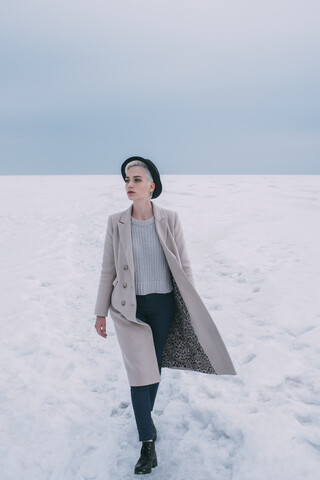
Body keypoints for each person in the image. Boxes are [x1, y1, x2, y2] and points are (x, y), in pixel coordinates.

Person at [94, 156, 236, 475]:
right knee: (138, 372)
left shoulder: (170, 219)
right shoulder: (115, 222)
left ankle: (145, 419)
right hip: (128, 308)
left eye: (136, 180)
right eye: (127, 180)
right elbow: (108, 270)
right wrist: (100, 312)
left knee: (154, 367)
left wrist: (191, 307)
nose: (129, 185)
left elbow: (183, 266)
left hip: (164, 304)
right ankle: (147, 441)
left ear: (151, 186)